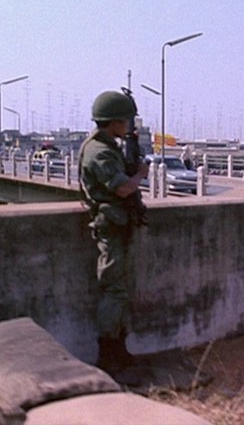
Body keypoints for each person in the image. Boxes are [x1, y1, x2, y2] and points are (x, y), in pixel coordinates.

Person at [78, 90, 149, 378]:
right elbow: (122, 188)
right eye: (126, 120)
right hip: (111, 227)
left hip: (119, 225)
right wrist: (141, 174)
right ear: (114, 122)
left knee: (121, 290)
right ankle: (108, 355)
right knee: (114, 291)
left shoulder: (108, 146)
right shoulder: (100, 152)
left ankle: (119, 350)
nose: (129, 125)